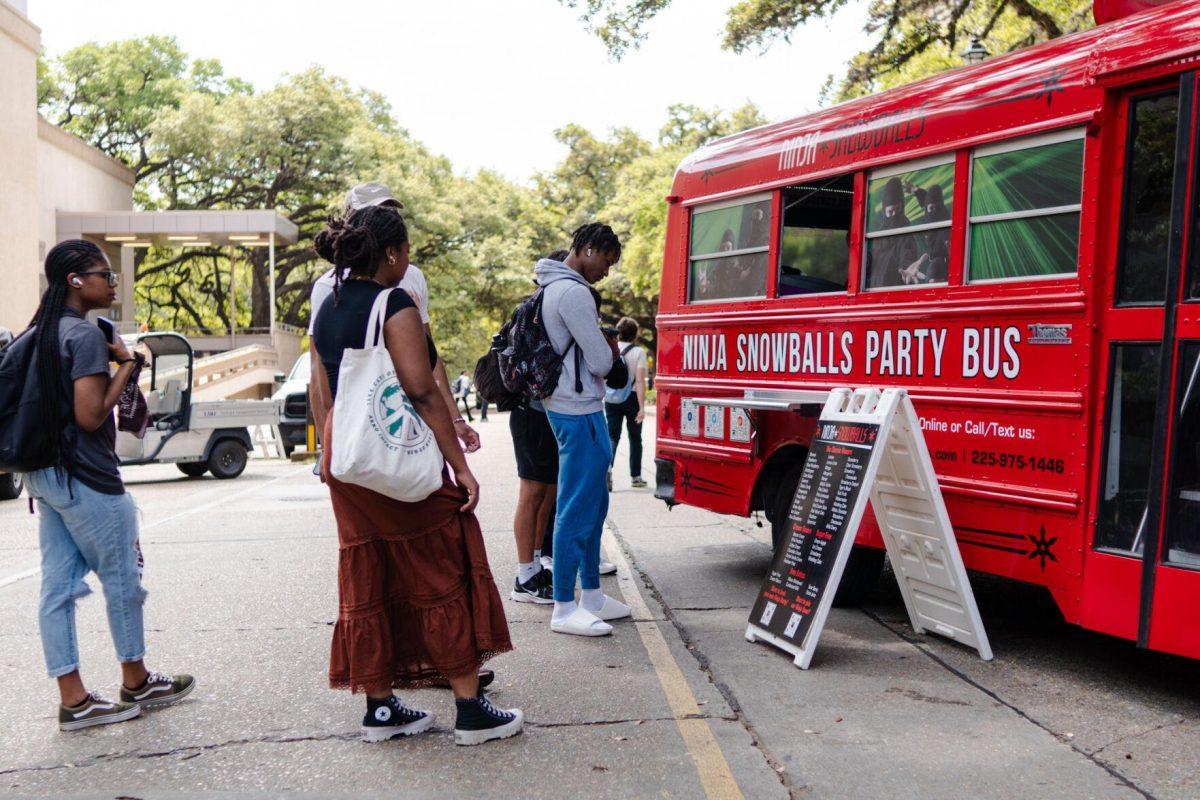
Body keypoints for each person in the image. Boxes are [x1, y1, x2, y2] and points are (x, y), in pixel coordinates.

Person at [311, 205, 521, 746]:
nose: (408, 261)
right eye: (406, 251)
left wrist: (328, 459)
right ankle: (469, 708)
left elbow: (322, 391)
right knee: (439, 564)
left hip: (347, 456)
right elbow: (420, 387)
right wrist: (460, 465)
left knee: (371, 566)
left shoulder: (325, 305)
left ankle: (381, 709)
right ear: (390, 253)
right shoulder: (394, 302)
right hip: (392, 456)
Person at [21, 240, 193, 731]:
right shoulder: (86, 336)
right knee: (122, 580)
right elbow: (92, 414)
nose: (112, 283)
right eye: (105, 275)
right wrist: (129, 364)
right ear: (75, 281)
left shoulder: (40, 332)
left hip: (46, 476)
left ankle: (74, 699)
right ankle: (136, 680)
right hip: (87, 475)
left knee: (57, 588)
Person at [308, 183, 479, 455]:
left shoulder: (410, 275)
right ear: (353, 218)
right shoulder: (329, 287)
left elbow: (430, 361)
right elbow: (318, 372)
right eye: (378, 210)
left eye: (390, 210)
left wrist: (454, 418)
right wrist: (327, 447)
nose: (388, 217)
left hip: (414, 428)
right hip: (358, 430)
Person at [537, 224, 632, 637]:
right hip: (577, 410)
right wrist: (607, 349)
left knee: (593, 506)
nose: (606, 272)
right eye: (606, 262)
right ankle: (564, 605)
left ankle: (590, 595)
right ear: (588, 249)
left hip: (575, 406)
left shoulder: (555, 287)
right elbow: (599, 362)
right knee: (576, 508)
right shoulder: (572, 292)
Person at [605, 317, 649, 490]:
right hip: (631, 398)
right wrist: (642, 407)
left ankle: (607, 470)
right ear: (635, 333)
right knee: (635, 438)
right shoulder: (639, 352)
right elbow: (639, 381)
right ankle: (636, 476)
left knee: (612, 436)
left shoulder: (611, 348)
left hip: (611, 397)